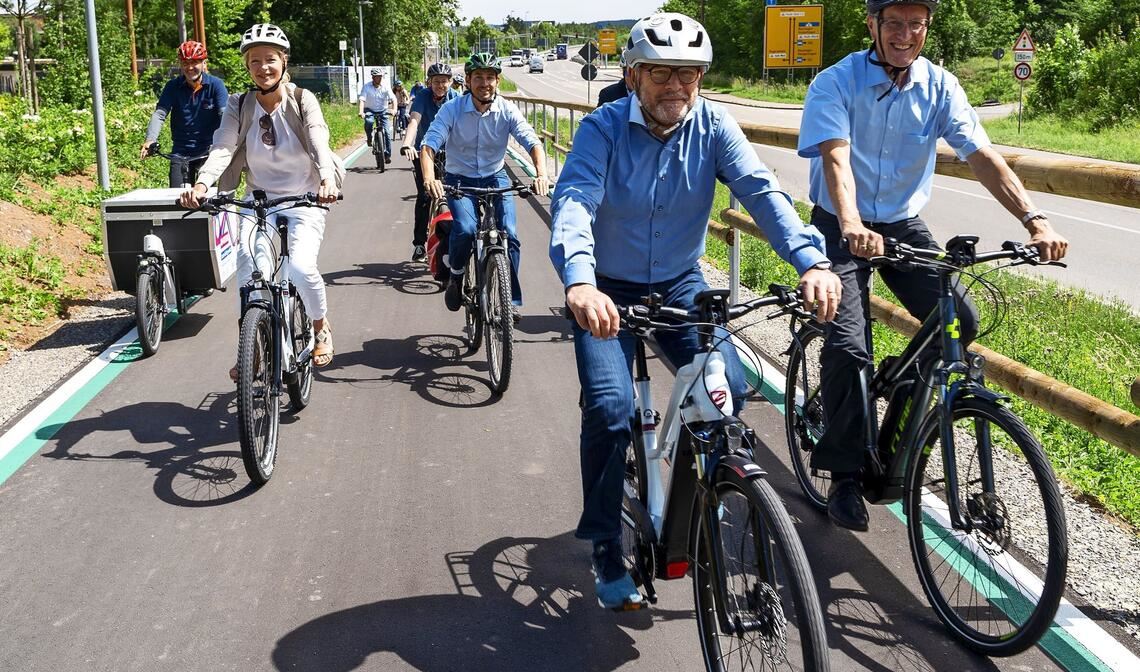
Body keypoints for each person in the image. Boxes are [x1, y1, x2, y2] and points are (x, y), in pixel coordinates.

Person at [549, 12, 842, 610]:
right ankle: (607, 544)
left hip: (680, 284)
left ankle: (698, 492)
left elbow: (762, 192)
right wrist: (580, 283)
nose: (675, 86)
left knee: (727, 391)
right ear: (633, 76)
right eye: (660, 72)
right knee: (608, 408)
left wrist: (811, 262)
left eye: (689, 74)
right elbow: (576, 201)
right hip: (606, 286)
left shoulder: (713, 126)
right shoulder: (602, 130)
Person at [798, 0, 1069, 531]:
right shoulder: (835, 82)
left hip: (900, 224)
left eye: (915, 25)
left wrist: (1035, 220)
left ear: (926, 29)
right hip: (839, 223)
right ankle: (846, 474)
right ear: (872, 26)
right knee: (850, 343)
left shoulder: (940, 86)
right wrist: (851, 224)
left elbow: (982, 155)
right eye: (894, 23)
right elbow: (835, 157)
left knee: (960, 321)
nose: (905, 35)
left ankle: (895, 405)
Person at [180, 23, 341, 375]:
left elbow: (318, 140)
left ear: (284, 62)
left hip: (306, 197)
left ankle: (319, 327)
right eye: (255, 61)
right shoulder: (240, 105)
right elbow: (223, 146)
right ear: (247, 66)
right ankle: (250, 348)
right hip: (258, 200)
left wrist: (327, 179)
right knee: (251, 276)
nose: (263, 67)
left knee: (300, 267)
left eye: (270, 59)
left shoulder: (302, 100)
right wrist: (204, 184)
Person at [420, 52, 550, 321]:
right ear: (468, 81)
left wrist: (542, 174)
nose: (484, 83)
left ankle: (508, 299)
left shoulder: (506, 109)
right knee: (466, 229)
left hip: (495, 175)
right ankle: (456, 277)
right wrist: (430, 178)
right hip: (459, 179)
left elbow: (532, 142)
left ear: (497, 81)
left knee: (510, 234)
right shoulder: (452, 109)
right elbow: (429, 145)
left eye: (490, 77)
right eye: (478, 77)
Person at [140, 40, 228, 187]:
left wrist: (229, 143)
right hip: (181, 152)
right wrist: (150, 139)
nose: (190, 67)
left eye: (195, 62)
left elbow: (224, 116)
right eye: (185, 63)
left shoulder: (216, 85)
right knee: (177, 199)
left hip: (209, 150)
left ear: (204, 63)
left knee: (208, 201)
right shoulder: (172, 87)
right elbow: (160, 114)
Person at [400, 62, 459, 263]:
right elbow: (414, 121)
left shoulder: (456, 99)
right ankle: (419, 244)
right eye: (436, 81)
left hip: (451, 153)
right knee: (425, 196)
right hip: (424, 152)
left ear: (450, 82)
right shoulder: (423, 97)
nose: (440, 85)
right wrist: (408, 144)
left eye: (444, 81)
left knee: (457, 194)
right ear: (429, 82)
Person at [358, 67, 396, 162]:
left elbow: (393, 99)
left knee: (387, 132)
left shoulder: (386, 86)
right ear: (373, 77)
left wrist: (394, 110)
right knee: (369, 121)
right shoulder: (367, 87)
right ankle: (369, 138)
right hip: (370, 110)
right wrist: (361, 112)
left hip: (383, 110)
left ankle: (387, 154)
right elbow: (362, 100)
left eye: (380, 77)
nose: (379, 79)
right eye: (376, 77)